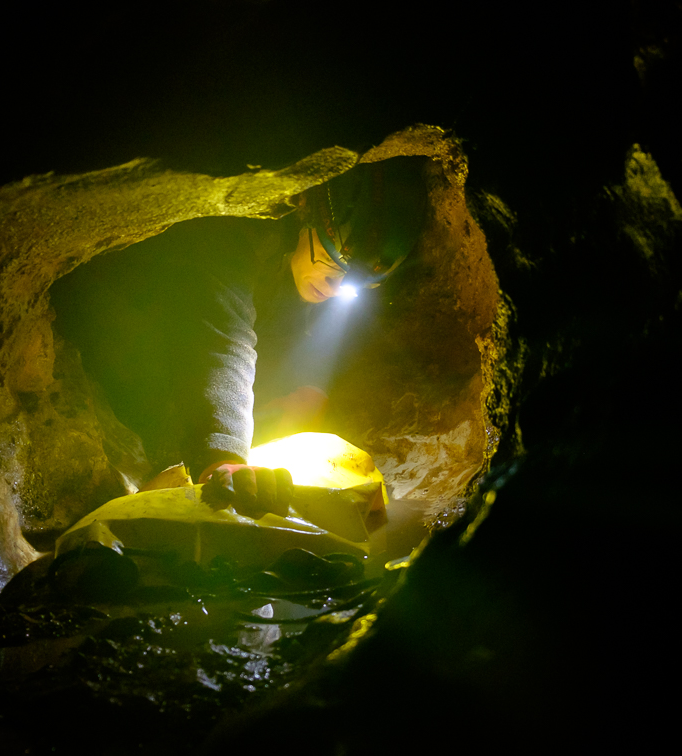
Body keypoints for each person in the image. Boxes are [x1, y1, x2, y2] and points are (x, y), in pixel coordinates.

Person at [50, 155, 427, 516]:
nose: (335, 288)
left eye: (353, 285)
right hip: (122, 345)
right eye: (332, 271)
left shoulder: (303, 264)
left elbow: (309, 327)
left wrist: (307, 386)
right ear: (306, 216)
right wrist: (223, 456)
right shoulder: (233, 238)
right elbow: (220, 334)